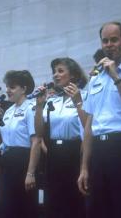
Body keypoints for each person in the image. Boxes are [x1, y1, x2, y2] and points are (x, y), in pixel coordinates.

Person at [78, 21, 121, 218]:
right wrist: (84, 167)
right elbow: (90, 124)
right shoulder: (95, 78)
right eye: (105, 41)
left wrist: (116, 77)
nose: (109, 44)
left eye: (114, 40)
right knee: (96, 211)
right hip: (98, 150)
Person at [35, 57, 88, 218]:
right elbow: (39, 133)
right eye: (54, 72)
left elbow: (88, 127)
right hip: (53, 156)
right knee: (53, 202)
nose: (55, 75)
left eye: (60, 71)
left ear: (72, 75)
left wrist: (78, 102)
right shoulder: (53, 101)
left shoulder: (85, 96)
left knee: (74, 203)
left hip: (75, 152)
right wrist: (39, 106)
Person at [0, 70, 41, 218]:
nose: (7, 90)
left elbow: (36, 141)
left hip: (23, 161)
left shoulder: (31, 108)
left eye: (12, 87)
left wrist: (30, 173)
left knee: (23, 207)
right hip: (7, 161)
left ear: (24, 89)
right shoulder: (9, 111)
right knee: (6, 207)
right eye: (7, 87)